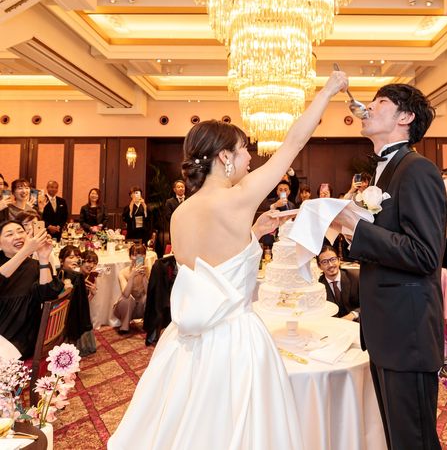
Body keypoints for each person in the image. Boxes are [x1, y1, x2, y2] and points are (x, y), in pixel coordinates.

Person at [108, 71, 347, 450]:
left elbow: (209, 272)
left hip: (185, 342)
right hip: (235, 341)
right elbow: (294, 141)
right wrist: (329, 89)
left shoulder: (179, 214)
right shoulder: (240, 197)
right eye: (243, 150)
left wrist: (252, 233)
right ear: (224, 157)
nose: (250, 158)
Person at [331, 83, 447, 450]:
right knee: (397, 439)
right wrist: (352, 232)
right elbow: (389, 244)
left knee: (414, 441)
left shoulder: (417, 170)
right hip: (387, 331)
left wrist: (358, 228)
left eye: (380, 101)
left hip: (407, 333)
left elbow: (425, 254)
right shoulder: (384, 172)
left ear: (405, 117)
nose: (368, 107)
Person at [0, 221, 63, 357]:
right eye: (9, 234)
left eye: (20, 231)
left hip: (21, 337)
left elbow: (47, 297)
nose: (17, 236)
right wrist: (25, 251)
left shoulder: (35, 266)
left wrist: (43, 258)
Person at [57, 245, 95, 356]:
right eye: (71, 257)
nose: (75, 260)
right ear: (61, 260)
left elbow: (83, 304)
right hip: (62, 315)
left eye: (77, 257)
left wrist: (92, 294)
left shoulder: (78, 276)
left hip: (75, 315)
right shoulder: (60, 275)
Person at [113, 244, 149, 334]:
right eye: (135, 255)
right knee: (128, 298)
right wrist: (132, 276)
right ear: (130, 257)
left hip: (140, 307)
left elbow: (150, 294)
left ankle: (147, 322)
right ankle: (124, 326)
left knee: (148, 297)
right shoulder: (123, 272)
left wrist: (144, 277)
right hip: (125, 308)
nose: (138, 257)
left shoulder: (148, 270)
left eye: (142, 254)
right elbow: (125, 294)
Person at [316, 245, 359, 321]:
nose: (330, 265)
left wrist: (353, 315)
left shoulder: (355, 277)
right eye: (324, 262)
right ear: (319, 266)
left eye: (333, 259)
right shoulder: (318, 286)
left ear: (339, 260)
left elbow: (368, 303)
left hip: (356, 322)